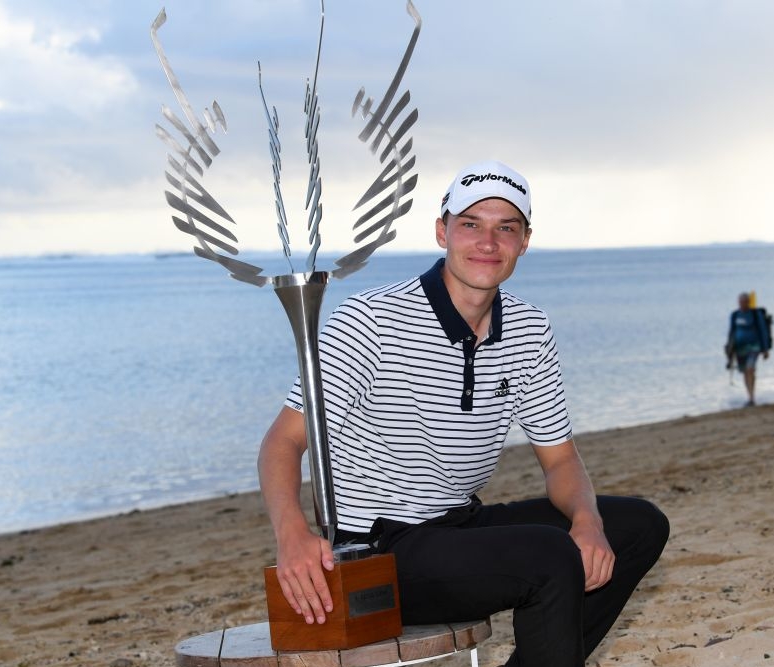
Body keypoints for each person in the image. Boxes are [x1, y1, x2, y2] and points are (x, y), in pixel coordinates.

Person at [258, 160, 669, 666]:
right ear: (442, 232)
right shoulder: (371, 320)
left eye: (506, 228)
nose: (488, 242)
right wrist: (292, 532)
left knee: (638, 524)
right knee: (550, 555)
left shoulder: (528, 328)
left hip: (460, 527)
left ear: (525, 241)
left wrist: (586, 520)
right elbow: (283, 441)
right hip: (382, 549)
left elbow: (561, 460)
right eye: (471, 224)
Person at [726, 291, 771, 406]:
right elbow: (731, 332)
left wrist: (765, 349)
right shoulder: (735, 315)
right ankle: (749, 396)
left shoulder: (755, 314)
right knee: (745, 372)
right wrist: (729, 349)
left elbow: (763, 331)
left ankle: (752, 398)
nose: (742, 304)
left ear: (748, 302)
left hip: (754, 346)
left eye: (744, 302)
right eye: (740, 302)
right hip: (739, 348)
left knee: (750, 368)